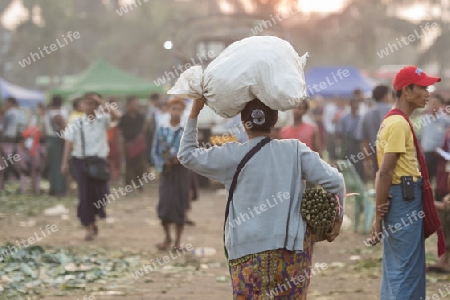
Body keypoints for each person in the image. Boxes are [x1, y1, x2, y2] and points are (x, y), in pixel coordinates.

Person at [178, 97, 345, 298]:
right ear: (274, 121)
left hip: (247, 252)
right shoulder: (294, 150)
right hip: (293, 251)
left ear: (243, 122)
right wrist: (338, 218)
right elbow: (336, 181)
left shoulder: (232, 155)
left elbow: (186, 155)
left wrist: (195, 112)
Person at [369, 66, 445, 299]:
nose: (427, 93)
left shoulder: (393, 121)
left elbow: (382, 172)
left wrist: (381, 210)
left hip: (401, 196)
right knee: (408, 270)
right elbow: (384, 172)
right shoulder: (398, 124)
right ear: (406, 90)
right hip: (404, 198)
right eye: (423, 88)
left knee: (398, 267)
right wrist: (379, 215)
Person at [61, 92, 121, 240]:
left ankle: (94, 218)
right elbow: (68, 142)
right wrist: (64, 162)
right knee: (85, 195)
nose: (90, 106)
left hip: (99, 162)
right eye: (87, 103)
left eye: (93, 104)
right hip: (82, 162)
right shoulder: (76, 122)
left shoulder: (103, 120)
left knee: (102, 193)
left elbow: (117, 116)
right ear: (82, 105)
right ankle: (89, 225)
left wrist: (101, 102)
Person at [151, 97, 190, 250]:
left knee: (180, 204)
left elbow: (193, 149)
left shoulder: (187, 130)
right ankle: (167, 237)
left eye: (179, 109)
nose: (176, 112)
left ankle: (177, 242)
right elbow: (154, 150)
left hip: (182, 171)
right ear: (168, 110)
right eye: (173, 108)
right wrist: (162, 162)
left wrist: (181, 159)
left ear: (183, 111)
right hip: (166, 171)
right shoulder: (162, 128)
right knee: (165, 204)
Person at [356, 85, 393, 180]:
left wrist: (367, 161)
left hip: (376, 152)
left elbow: (364, 141)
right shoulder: (394, 111)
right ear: (386, 96)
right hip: (394, 151)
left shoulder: (367, 115)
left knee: (379, 181)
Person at [421, 94, 450, 195]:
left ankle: (439, 199)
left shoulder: (444, 119)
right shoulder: (424, 118)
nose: (433, 105)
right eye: (431, 103)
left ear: (440, 105)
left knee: (439, 179)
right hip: (426, 153)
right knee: (425, 179)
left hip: (439, 155)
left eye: (435, 103)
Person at [118, 96, 146, 192]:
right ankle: (128, 186)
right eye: (133, 103)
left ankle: (139, 184)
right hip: (128, 144)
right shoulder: (124, 117)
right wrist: (122, 145)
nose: (135, 105)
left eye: (136, 103)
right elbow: (120, 131)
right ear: (128, 105)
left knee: (140, 165)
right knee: (129, 166)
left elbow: (143, 128)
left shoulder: (140, 116)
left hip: (138, 144)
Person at [0, 97, 27, 193]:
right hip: (18, 141)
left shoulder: (9, 112)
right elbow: (22, 129)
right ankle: (23, 187)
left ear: (10, 103)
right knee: (19, 166)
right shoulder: (21, 114)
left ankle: (1, 187)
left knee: (2, 165)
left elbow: (2, 127)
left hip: (6, 140)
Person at [45, 95, 68, 196]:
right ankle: (59, 189)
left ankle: (54, 188)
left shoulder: (48, 112)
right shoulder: (57, 114)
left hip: (50, 140)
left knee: (53, 165)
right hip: (58, 140)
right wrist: (66, 140)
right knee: (59, 165)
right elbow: (63, 127)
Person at [337, 98, 364, 181]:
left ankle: (360, 180)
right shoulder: (344, 118)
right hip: (348, 143)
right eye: (355, 104)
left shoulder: (361, 118)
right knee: (349, 162)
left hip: (358, 143)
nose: (356, 106)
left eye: (358, 104)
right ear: (351, 105)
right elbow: (340, 132)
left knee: (359, 163)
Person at [106, 98, 121, 184]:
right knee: (107, 162)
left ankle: (116, 178)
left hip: (115, 143)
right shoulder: (104, 118)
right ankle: (108, 178)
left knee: (116, 162)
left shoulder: (118, 117)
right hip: (106, 143)